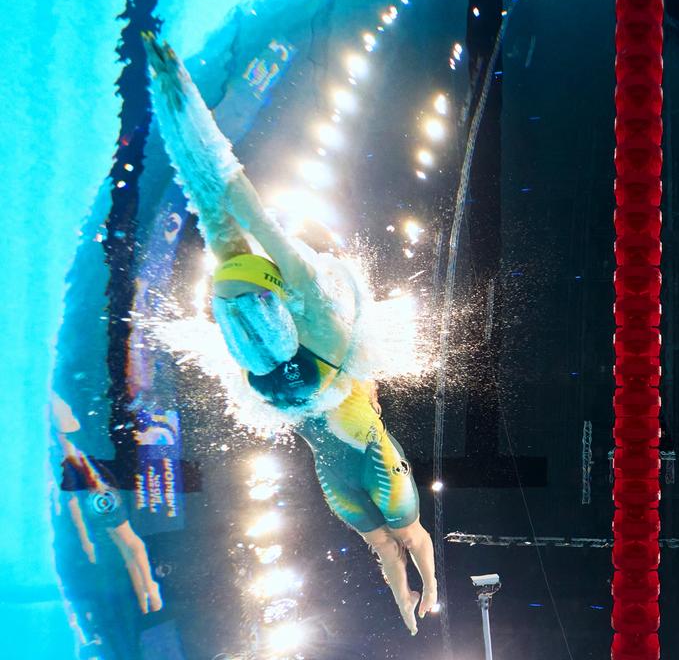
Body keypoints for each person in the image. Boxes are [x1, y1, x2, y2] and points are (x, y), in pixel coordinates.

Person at [142, 33, 437, 634]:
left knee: (396, 536)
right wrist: (186, 112)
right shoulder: (323, 319)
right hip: (307, 399)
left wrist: (424, 589)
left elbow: (227, 192)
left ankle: (424, 588)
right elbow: (226, 193)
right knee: (390, 538)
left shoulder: (314, 300)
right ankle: (419, 590)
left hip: (309, 411)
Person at [51, 393, 164, 615]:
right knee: (129, 543)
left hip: (98, 492)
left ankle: (147, 593)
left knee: (126, 544)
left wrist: (86, 540)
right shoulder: (68, 443)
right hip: (99, 489)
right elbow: (74, 499)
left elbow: (73, 501)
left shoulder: (61, 450)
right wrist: (86, 539)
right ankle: (148, 591)